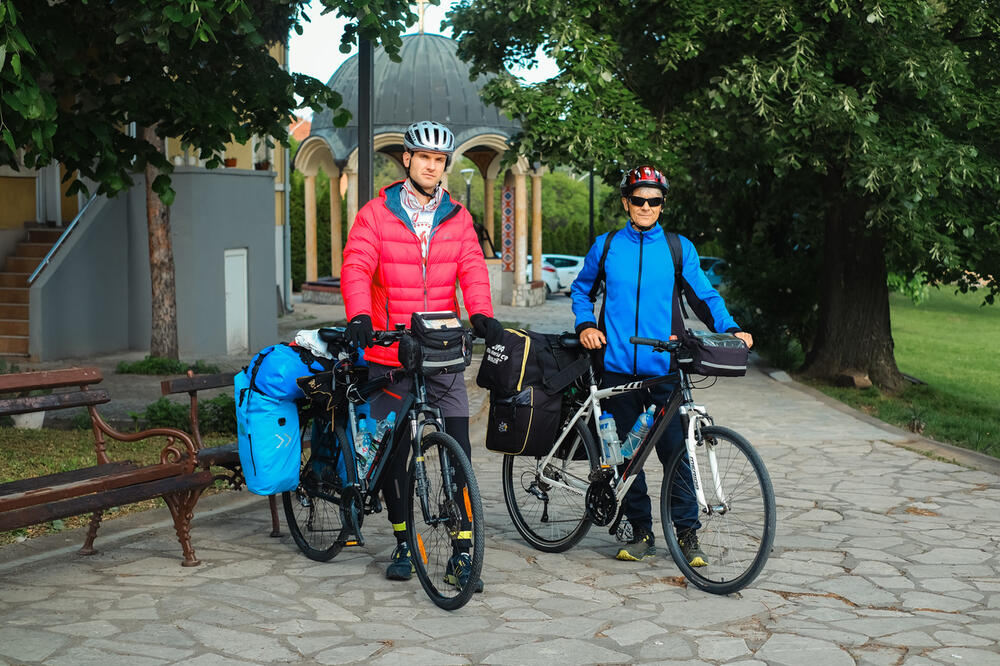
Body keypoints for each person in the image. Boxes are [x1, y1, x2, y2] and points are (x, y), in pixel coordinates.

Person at [340, 120, 503, 591]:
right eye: (424, 157)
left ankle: (463, 549)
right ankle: (402, 541)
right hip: (391, 348)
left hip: (442, 348)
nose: (432, 166)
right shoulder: (376, 213)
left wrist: (482, 316)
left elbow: (472, 268)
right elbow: (357, 264)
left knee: (458, 449)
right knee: (397, 454)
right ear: (407, 159)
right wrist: (358, 316)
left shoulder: (457, 216)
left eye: (439, 160)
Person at [570, 165, 754, 564]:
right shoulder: (606, 247)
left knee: (676, 453)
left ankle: (687, 534)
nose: (646, 206)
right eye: (638, 199)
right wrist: (585, 324)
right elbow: (582, 290)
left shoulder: (677, 248)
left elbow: (704, 297)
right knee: (624, 457)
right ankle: (640, 531)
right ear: (626, 202)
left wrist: (732, 328)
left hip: (664, 370)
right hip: (616, 369)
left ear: (662, 205)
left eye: (654, 201)